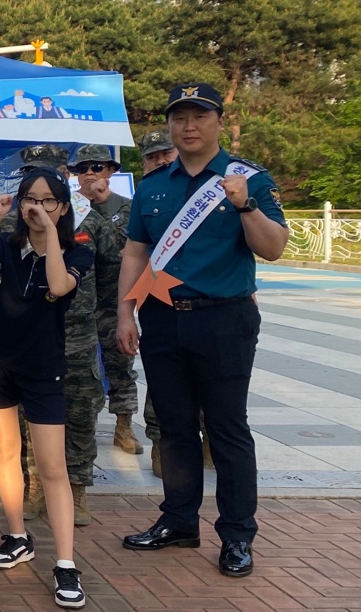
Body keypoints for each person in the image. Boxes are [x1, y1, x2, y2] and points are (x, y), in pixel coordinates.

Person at [117, 83, 289, 578]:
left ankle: (237, 535)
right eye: (180, 117)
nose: (188, 126)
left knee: (227, 428)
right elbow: (135, 253)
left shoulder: (249, 179)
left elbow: (273, 248)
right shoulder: (153, 186)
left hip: (224, 318)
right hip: (162, 317)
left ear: (219, 121)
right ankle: (178, 521)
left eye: (199, 116)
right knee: (173, 427)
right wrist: (126, 314)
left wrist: (245, 206)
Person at [0, 169, 94, 609]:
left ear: (63, 207)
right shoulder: (8, 245)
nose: (36, 207)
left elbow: (59, 286)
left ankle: (65, 563)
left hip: (44, 368)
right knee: (6, 454)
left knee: (52, 467)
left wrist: (52, 234)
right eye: (29, 199)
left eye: (47, 200)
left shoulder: (78, 250)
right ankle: (17, 535)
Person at [8, 146, 119, 528]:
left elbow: (110, 278)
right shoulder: (12, 229)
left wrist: (109, 324)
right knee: (30, 418)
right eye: (30, 176)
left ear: (63, 176)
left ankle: (78, 486)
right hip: (32, 339)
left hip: (78, 338)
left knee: (81, 413)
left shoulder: (90, 222)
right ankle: (36, 485)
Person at [71, 144, 141, 456]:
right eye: (83, 168)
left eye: (97, 167)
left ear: (111, 171)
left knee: (120, 364)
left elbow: (124, 252)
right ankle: (83, 427)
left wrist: (97, 205)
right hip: (79, 303)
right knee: (80, 372)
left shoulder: (127, 208)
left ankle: (124, 425)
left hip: (113, 301)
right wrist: (83, 204)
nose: (90, 174)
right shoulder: (69, 209)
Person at [135, 129, 179, 473]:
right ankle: (160, 442)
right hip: (156, 295)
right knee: (163, 376)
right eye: (152, 157)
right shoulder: (144, 196)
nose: (160, 161)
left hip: (206, 298)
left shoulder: (203, 191)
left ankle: (208, 436)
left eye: (166, 154)